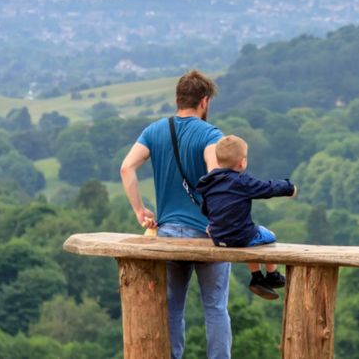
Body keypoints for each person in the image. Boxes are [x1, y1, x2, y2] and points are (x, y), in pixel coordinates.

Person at [120, 70, 230, 359]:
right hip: (207, 236)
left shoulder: (155, 131)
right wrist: (218, 218)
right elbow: (216, 175)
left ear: (178, 99)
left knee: (171, 307)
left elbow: (126, 168)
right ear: (204, 101)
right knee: (215, 307)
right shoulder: (210, 135)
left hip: (168, 235)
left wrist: (139, 209)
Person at [196, 135, 298, 300]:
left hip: (218, 237)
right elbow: (267, 188)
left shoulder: (209, 182)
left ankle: (257, 276)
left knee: (250, 233)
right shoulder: (241, 182)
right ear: (242, 162)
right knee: (268, 235)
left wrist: (213, 224)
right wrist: (289, 187)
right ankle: (272, 275)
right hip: (240, 237)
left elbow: (206, 208)